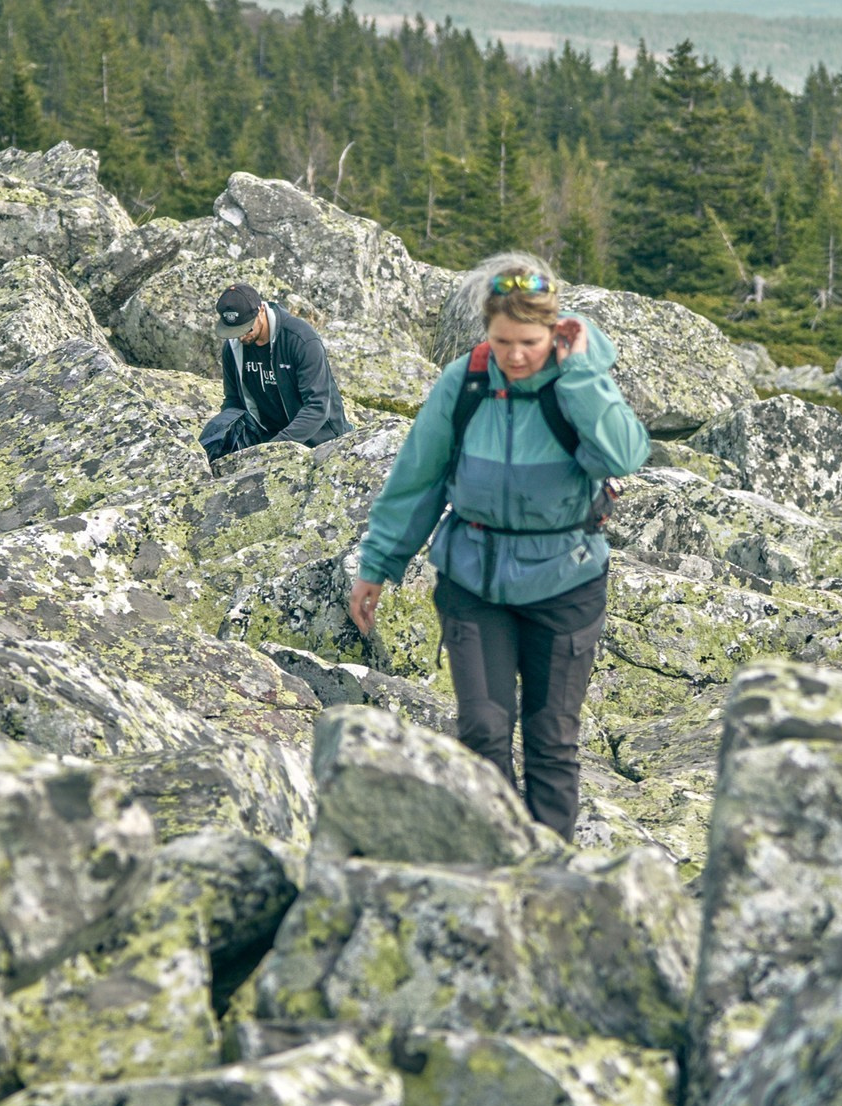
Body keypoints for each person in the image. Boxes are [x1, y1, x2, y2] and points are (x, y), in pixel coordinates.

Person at [346, 254, 650, 839]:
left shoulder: (577, 383)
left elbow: (625, 455)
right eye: (502, 340)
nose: (515, 356)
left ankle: (549, 871)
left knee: (551, 738)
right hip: (473, 580)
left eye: (530, 342)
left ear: (556, 331)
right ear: (486, 331)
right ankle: (501, 854)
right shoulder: (466, 382)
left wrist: (581, 373)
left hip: (567, 583)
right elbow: (417, 480)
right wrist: (378, 565)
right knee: (483, 728)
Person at [199, 282, 352, 463]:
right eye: (234, 331)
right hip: (267, 438)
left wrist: (274, 448)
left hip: (320, 442)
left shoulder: (300, 339)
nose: (241, 337)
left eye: (246, 329)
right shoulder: (233, 348)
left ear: (261, 310)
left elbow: (317, 407)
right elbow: (233, 400)